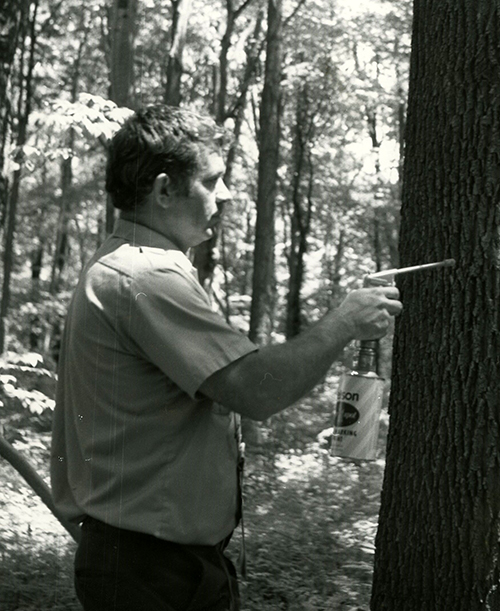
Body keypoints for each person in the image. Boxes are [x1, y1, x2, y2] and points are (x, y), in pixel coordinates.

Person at [50, 105, 403, 611]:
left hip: (160, 562)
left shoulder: (130, 264)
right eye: (212, 181)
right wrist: (345, 321)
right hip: (150, 571)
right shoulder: (144, 277)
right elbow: (256, 389)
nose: (227, 194)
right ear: (165, 189)